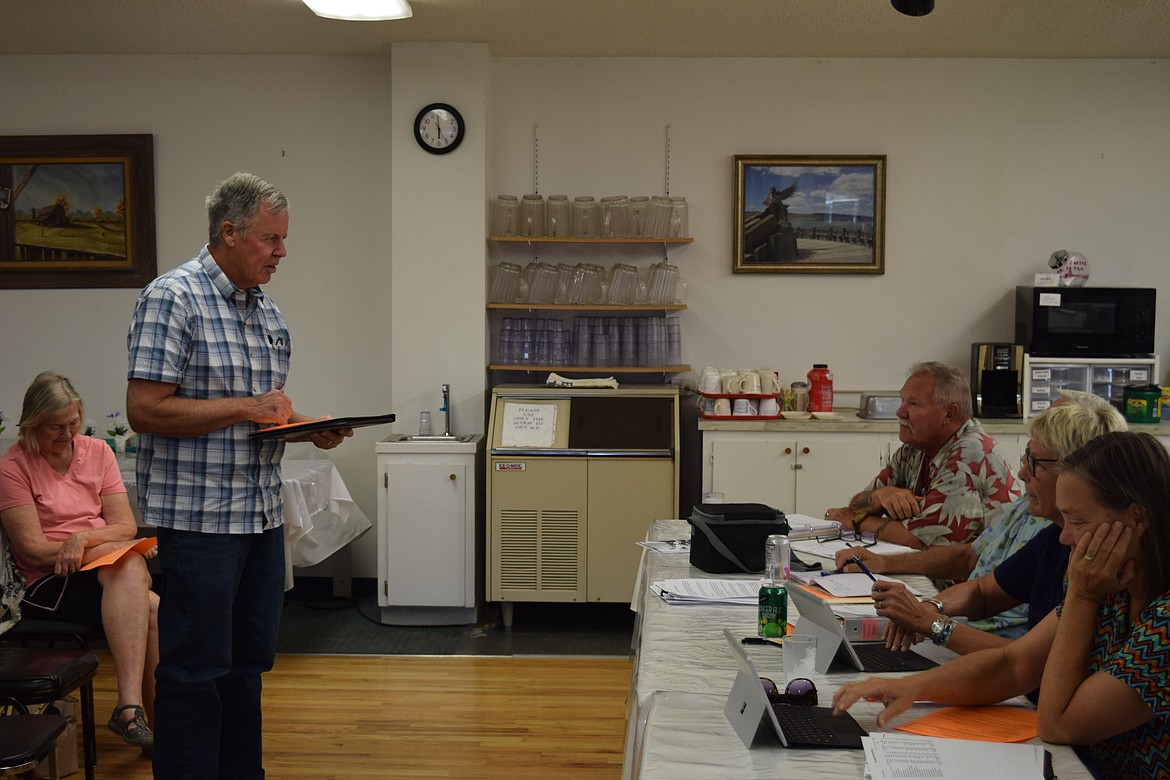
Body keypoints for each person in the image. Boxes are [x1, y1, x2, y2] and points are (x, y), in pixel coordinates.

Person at [125, 172, 352, 780]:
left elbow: (264, 409)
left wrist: (307, 424)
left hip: (258, 518)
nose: (282, 253)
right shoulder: (172, 298)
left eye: (282, 240)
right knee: (193, 670)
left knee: (248, 665)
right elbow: (144, 409)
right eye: (270, 239)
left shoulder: (266, 311)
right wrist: (247, 408)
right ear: (229, 232)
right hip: (199, 522)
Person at [833, 431, 1170, 779]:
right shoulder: (1111, 586)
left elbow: (1058, 725)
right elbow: (1014, 665)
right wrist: (911, 688)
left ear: (1137, 519)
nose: (1064, 536)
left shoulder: (1150, 616)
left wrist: (1082, 598)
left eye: (1079, 521)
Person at [837, 392, 1126, 646]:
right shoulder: (1053, 536)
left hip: (998, 661)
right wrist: (929, 608)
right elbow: (983, 588)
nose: (1022, 472)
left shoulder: (1100, 558)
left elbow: (1026, 662)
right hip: (974, 641)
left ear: (1075, 469)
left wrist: (932, 623)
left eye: (1033, 461)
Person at [0, 371, 159, 752]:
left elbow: (125, 524)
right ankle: (144, 721)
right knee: (150, 605)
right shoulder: (12, 467)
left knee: (131, 566)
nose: (67, 434)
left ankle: (132, 710)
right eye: (55, 427)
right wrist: (110, 547)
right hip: (45, 582)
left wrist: (83, 538)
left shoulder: (98, 451)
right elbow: (34, 550)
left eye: (73, 423)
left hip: (98, 566)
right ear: (31, 424)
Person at [824, 361, 1019, 548]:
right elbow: (856, 505)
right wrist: (879, 496)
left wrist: (856, 522)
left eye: (914, 404)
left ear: (949, 414)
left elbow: (921, 540)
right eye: (902, 400)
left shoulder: (971, 453)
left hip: (976, 578)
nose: (900, 412)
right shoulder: (915, 447)